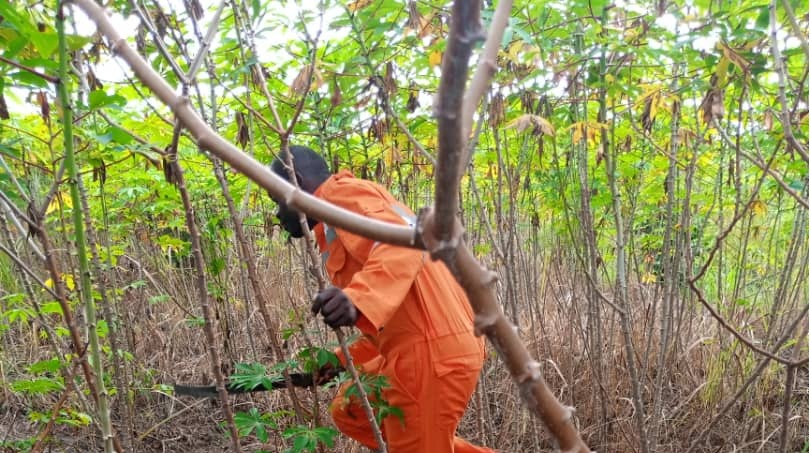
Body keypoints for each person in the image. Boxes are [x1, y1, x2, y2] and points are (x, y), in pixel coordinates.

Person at [269, 145, 494, 453]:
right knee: (351, 408)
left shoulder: (339, 197)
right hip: (427, 345)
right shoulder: (348, 208)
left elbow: (402, 244)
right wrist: (336, 360)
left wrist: (357, 299)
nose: (277, 213)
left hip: (430, 355)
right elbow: (398, 323)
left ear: (295, 181)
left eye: (275, 200)